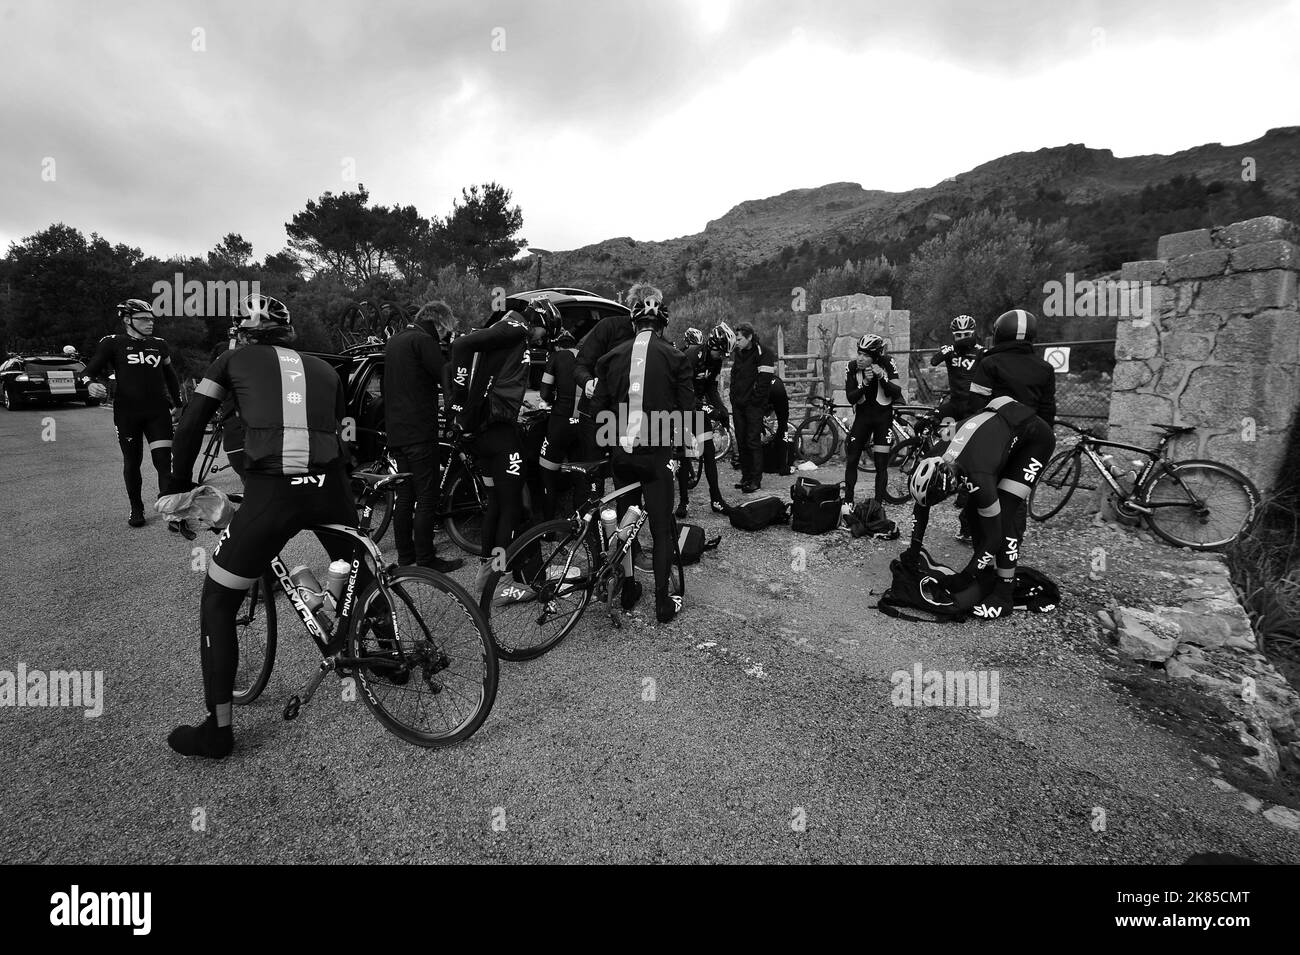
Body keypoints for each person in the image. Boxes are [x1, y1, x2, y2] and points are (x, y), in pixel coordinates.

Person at [165, 294, 369, 759]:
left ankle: (217, 733)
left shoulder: (230, 359)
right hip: (331, 486)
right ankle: (390, 657)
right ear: (289, 332)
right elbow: (342, 431)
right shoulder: (324, 368)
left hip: (273, 494)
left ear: (242, 332)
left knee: (218, 600)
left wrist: (177, 486)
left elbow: (192, 422)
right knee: (361, 568)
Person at [591, 287, 696, 624]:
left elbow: (598, 412)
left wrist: (610, 447)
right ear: (662, 325)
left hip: (622, 451)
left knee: (626, 522)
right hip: (657, 453)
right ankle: (663, 602)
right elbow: (688, 413)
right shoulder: (676, 357)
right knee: (662, 529)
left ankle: (629, 588)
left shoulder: (610, 358)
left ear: (634, 324)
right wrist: (682, 453)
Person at [904, 395, 1054, 619]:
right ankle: (984, 574)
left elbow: (994, 537)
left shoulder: (978, 476)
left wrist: (965, 577)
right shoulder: (932, 455)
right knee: (975, 514)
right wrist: (913, 550)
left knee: (1004, 518)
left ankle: (1004, 595)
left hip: (1035, 440)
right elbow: (921, 507)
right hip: (999, 428)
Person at [449, 297, 560, 591]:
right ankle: (501, 581)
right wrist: (458, 402)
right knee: (511, 506)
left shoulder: (507, 328)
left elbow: (493, 374)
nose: (542, 341)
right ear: (539, 322)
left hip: (483, 433)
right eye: (545, 334)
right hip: (498, 435)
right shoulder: (515, 328)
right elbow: (461, 346)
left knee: (495, 504)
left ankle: (487, 574)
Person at [81, 298, 184, 530]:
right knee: (132, 461)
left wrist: (179, 404)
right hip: (128, 413)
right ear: (127, 320)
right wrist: (89, 384)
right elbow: (89, 370)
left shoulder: (159, 344)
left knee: (163, 463)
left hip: (158, 412)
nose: (150, 323)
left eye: (152, 319)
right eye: (144, 319)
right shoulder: (113, 343)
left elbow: (171, 376)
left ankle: (171, 511)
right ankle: (136, 508)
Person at [383, 300, 464, 573]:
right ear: (439, 321)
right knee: (427, 496)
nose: (445, 335)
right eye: (446, 330)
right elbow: (446, 376)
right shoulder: (422, 340)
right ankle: (426, 559)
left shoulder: (394, 342)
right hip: (419, 431)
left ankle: (406, 557)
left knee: (405, 497)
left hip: (396, 433)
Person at [930, 314, 986, 543]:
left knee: (971, 449)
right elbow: (933, 362)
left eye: (966, 335)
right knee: (947, 441)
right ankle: (946, 477)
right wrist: (946, 350)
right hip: (954, 405)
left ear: (974, 332)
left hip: (974, 407)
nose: (962, 339)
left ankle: (965, 492)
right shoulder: (950, 350)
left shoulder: (982, 351)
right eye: (958, 336)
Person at [674, 322, 733, 515]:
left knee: (708, 453)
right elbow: (684, 393)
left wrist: (721, 409)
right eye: (721, 353)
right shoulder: (691, 356)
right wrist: (709, 410)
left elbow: (710, 388)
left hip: (698, 409)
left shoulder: (715, 361)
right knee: (685, 456)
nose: (723, 357)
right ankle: (683, 502)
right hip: (681, 408)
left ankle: (716, 500)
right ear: (713, 345)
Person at [843, 333, 902, 510]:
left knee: (881, 464)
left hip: (883, 419)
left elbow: (896, 392)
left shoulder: (887, 362)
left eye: (866, 355)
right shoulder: (852, 367)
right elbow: (850, 398)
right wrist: (865, 383)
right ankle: (848, 500)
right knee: (852, 458)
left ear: (876, 357)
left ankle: (878, 503)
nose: (860, 358)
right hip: (862, 419)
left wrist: (881, 377)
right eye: (859, 353)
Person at [969, 308, 1057, 427]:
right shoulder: (1046, 368)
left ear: (999, 334)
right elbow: (1047, 409)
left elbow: (976, 403)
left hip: (996, 432)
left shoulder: (989, 363)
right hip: (1030, 432)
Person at [538, 326, 584, 519]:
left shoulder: (555, 357)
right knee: (580, 473)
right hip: (583, 423)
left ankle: (548, 528)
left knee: (547, 471)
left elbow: (544, 393)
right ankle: (581, 522)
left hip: (560, 422)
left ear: (557, 346)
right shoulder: (586, 357)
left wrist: (551, 401)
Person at [729, 323, 776, 493]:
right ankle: (746, 476)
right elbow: (734, 375)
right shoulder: (738, 352)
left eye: (740, 338)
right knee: (741, 441)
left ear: (749, 337)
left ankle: (756, 479)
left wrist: (755, 402)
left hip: (754, 407)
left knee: (752, 441)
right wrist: (733, 397)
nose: (737, 341)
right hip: (738, 405)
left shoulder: (764, 353)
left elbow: (764, 382)